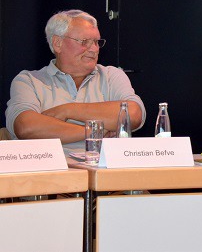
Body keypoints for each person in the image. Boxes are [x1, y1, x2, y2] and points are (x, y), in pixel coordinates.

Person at [5, 9, 146, 150]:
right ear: (57, 43)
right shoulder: (29, 81)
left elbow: (133, 114)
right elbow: (26, 127)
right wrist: (93, 131)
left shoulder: (111, 76)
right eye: (85, 42)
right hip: (54, 163)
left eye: (96, 42)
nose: (94, 49)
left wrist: (68, 110)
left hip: (103, 163)